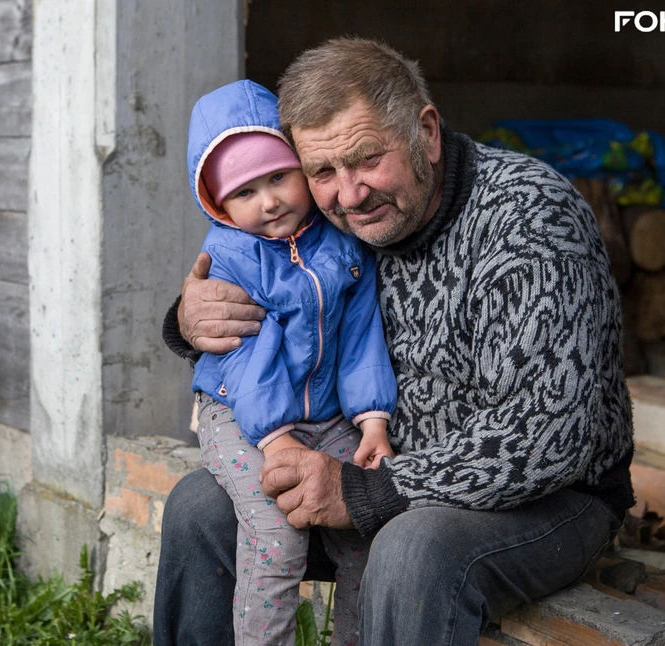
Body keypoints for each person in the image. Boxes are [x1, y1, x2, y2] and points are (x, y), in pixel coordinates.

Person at [155, 37, 634, 646]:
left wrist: (364, 492)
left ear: (426, 134)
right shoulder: (330, 226)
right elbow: (280, 302)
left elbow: (547, 439)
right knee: (200, 506)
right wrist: (191, 320)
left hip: (545, 500)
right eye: (323, 172)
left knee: (412, 548)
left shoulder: (529, 219)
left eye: (367, 159)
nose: (349, 195)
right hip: (367, 464)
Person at [185, 79, 397, 645]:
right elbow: (246, 358)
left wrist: (372, 419)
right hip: (240, 417)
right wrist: (276, 439)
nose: (270, 200)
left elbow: (361, 336)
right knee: (277, 537)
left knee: (365, 527)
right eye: (245, 191)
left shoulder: (341, 243)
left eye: (279, 176)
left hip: (326, 419)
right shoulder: (229, 259)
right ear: (217, 201)